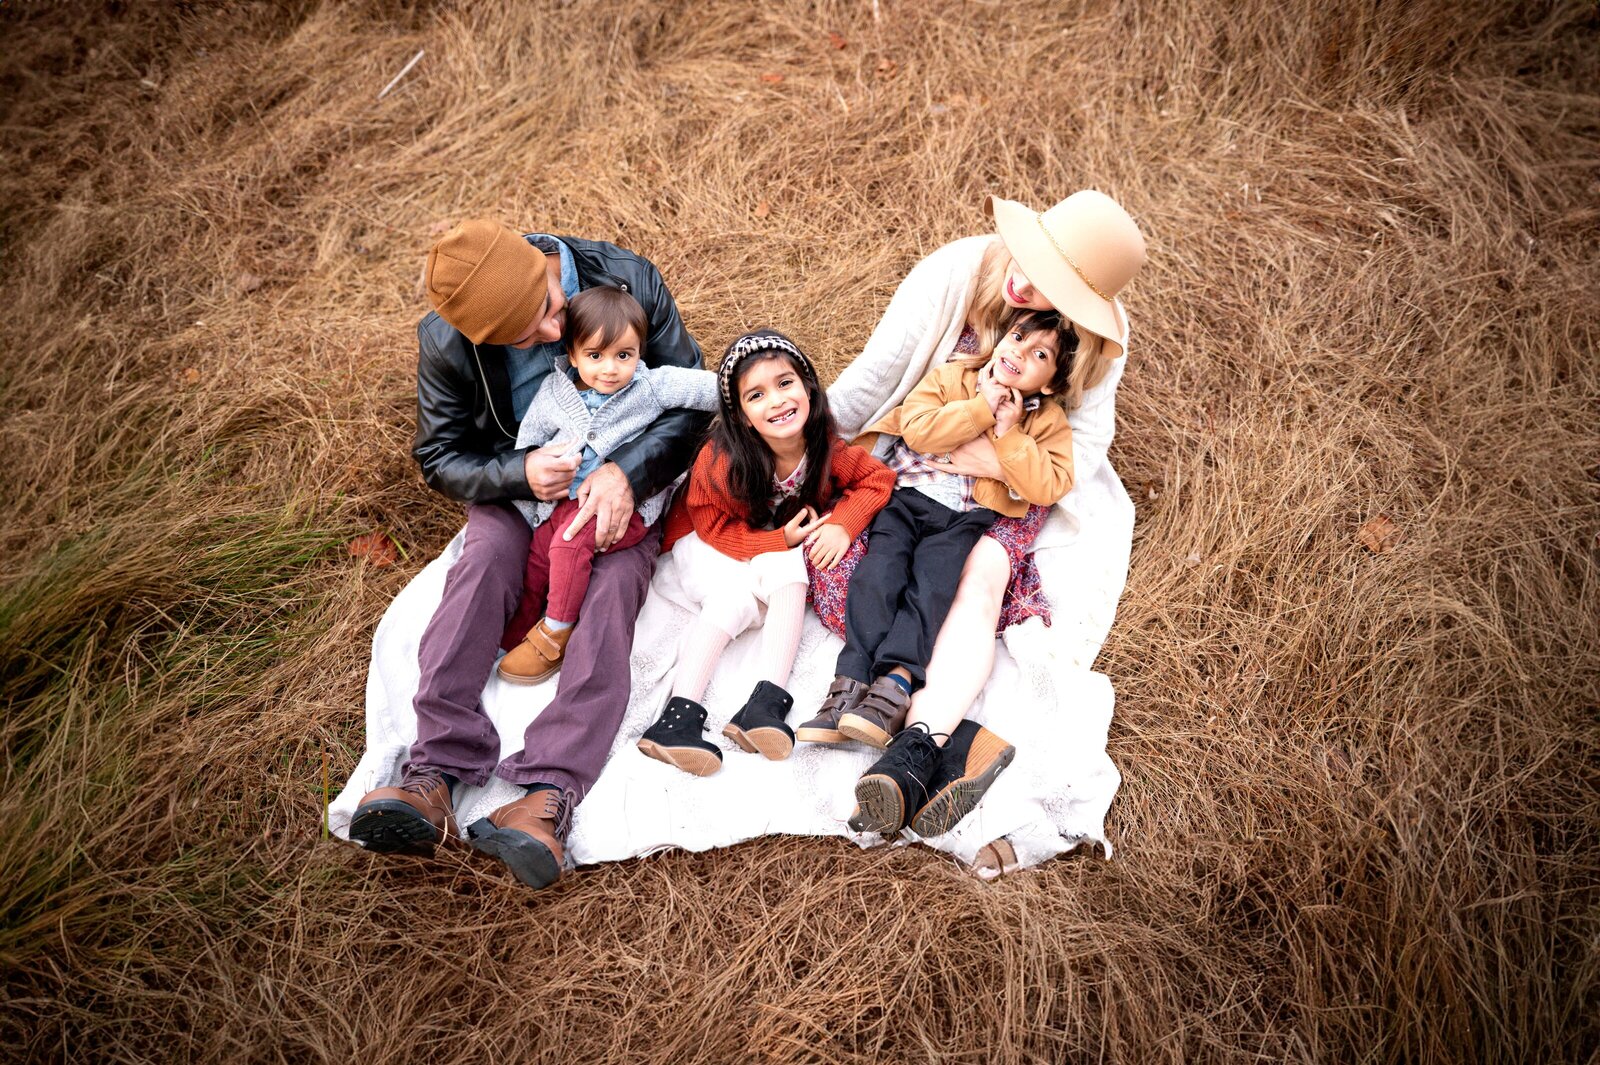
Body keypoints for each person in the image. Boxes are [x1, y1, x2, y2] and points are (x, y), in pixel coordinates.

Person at [346, 219, 709, 891]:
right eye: (523, 338)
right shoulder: (447, 338)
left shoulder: (628, 278)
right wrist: (518, 473)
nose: (549, 337)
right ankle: (433, 773)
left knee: (613, 590)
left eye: (548, 311)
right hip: (526, 498)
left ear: (543, 265)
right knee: (481, 561)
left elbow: (690, 401)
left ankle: (548, 795)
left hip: (629, 494)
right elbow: (439, 455)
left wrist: (627, 472)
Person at [810, 189, 1147, 843]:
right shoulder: (955, 272)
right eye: (1037, 262)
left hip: (1013, 486)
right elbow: (872, 383)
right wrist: (785, 446)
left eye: (1056, 293)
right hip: (921, 467)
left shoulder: (1102, 344)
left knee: (982, 577)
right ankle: (958, 741)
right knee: (852, 571)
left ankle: (916, 747)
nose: (1030, 283)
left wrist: (994, 458)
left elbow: (1081, 450)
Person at [801, 308, 1079, 834]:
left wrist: (1010, 438)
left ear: (1053, 381)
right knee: (876, 578)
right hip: (906, 500)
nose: (1020, 353)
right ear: (1000, 338)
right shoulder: (956, 376)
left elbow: (1050, 484)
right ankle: (850, 682)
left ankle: (895, 687)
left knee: (930, 593)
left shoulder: (1047, 422)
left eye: (1040, 354)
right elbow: (919, 429)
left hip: (965, 519)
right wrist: (979, 410)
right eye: (1019, 338)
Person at [635, 330, 893, 776]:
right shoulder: (723, 461)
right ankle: (724, 708)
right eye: (757, 395)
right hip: (705, 543)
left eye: (785, 383)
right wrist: (777, 542)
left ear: (809, 387)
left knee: (763, 585)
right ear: (742, 417)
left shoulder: (823, 449)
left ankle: (721, 712)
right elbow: (709, 524)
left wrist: (842, 525)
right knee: (764, 582)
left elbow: (878, 479)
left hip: (755, 547)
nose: (776, 400)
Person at [495, 286, 718, 683]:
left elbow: (707, 388)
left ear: (639, 353)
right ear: (573, 354)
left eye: (624, 355)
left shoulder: (650, 385)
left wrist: (754, 391)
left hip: (624, 507)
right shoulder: (555, 391)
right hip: (566, 499)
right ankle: (517, 631)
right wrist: (535, 466)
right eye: (595, 356)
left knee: (568, 543)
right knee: (540, 554)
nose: (610, 369)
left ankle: (557, 631)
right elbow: (529, 440)